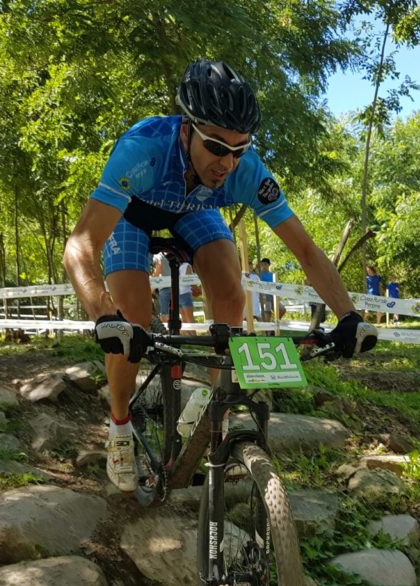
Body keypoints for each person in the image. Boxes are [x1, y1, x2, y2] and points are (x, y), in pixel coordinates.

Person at [63, 59, 377, 492]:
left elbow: (304, 249)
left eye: (240, 148)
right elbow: (80, 245)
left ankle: (214, 405)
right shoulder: (143, 149)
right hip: (131, 215)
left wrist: (349, 315)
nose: (227, 162)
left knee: (231, 290)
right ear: (188, 128)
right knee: (131, 318)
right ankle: (119, 426)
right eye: (216, 146)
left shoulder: (248, 171)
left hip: (196, 209)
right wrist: (103, 314)